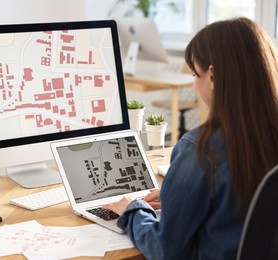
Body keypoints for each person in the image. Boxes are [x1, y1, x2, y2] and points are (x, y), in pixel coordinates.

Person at [104, 17, 278, 259]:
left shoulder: (201, 149)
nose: (195, 85)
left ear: (213, 76)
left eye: (196, 75)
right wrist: (182, 202)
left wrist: (132, 210)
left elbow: (164, 249)